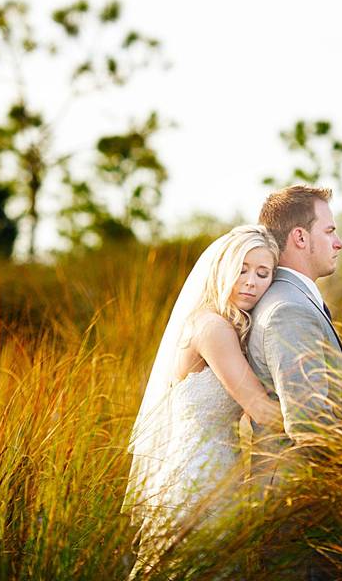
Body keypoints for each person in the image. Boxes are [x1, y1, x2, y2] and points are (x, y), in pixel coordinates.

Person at [123, 225, 285, 578]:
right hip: (198, 479)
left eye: (263, 273)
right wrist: (328, 427)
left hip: (217, 469)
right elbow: (258, 407)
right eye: (242, 269)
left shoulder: (225, 323)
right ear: (222, 267)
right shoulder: (213, 328)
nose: (251, 281)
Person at [246, 185, 342, 579]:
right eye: (329, 231)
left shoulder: (291, 300)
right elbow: (309, 423)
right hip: (304, 509)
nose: (339, 242)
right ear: (300, 237)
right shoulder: (287, 311)